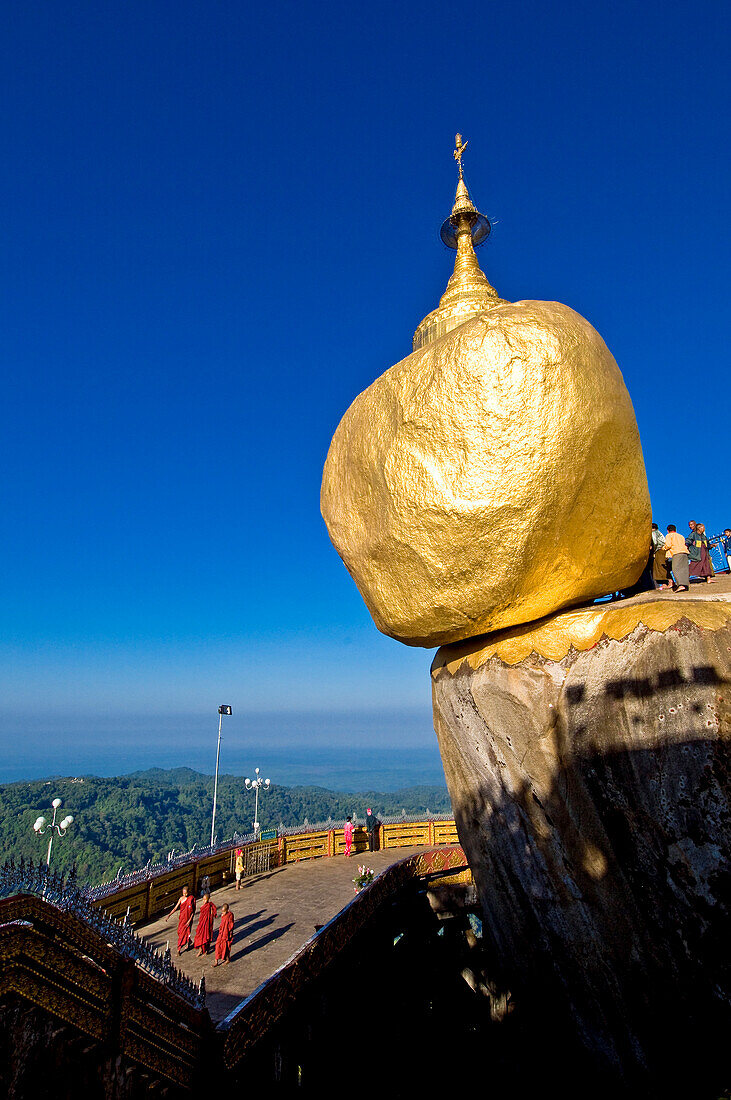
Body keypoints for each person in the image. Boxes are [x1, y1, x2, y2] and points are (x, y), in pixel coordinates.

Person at [166, 884, 196, 955]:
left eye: (186, 893)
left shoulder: (191, 899)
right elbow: (175, 908)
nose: (185, 894)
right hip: (182, 919)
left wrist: (189, 920)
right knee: (180, 932)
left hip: (188, 919)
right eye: (184, 893)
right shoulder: (181, 899)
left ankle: (179, 949)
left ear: (188, 892)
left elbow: (193, 911)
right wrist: (169, 915)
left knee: (186, 932)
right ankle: (189, 941)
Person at [664, 524, 690, 592]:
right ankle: (685, 584)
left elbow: (668, 545)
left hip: (676, 553)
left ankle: (681, 585)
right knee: (684, 569)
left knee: (676, 569)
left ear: (668, 530)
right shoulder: (681, 536)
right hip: (684, 552)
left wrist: (663, 548)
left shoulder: (669, 535)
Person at [193, 892, 217, 956]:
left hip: (207, 924)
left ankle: (206, 950)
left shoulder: (210, 906)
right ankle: (200, 950)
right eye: (203, 899)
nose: (204, 901)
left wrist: (210, 921)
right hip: (202, 924)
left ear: (208, 899)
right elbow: (201, 915)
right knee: (200, 936)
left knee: (206, 937)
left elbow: (212, 915)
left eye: (205, 899)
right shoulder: (203, 906)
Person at [651, 523, 670, 589]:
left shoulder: (654, 533)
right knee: (663, 566)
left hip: (659, 550)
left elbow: (655, 542)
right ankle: (665, 583)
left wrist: (652, 549)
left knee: (660, 567)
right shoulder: (659, 533)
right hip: (663, 550)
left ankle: (668, 582)